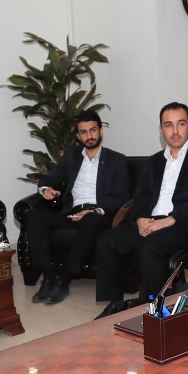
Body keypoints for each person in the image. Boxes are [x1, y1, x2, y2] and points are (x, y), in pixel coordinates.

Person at [94, 102, 188, 318]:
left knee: (149, 247)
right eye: (168, 125)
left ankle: (156, 308)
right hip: (152, 220)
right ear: (161, 129)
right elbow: (142, 196)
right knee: (106, 241)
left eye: (181, 124)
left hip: (185, 223)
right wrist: (140, 219)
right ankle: (116, 304)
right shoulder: (154, 161)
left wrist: (170, 219)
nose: (175, 131)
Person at [23, 109, 130, 305]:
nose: (89, 136)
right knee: (34, 216)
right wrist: (45, 189)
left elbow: (122, 198)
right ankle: (48, 278)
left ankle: (64, 282)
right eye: (84, 132)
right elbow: (50, 177)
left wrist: (95, 210)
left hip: (99, 215)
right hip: (73, 213)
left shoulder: (116, 160)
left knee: (90, 219)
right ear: (78, 136)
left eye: (93, 130)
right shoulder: (72, 156)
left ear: (101, 131)